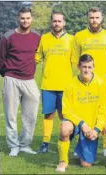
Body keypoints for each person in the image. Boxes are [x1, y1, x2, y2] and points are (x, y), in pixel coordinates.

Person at [71, 7, 106, 157]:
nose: (94, 20)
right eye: (91, 17)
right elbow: (75, 58)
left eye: (97, 17)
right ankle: (81, 145)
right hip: (85, 82)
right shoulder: (79, 36)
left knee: (105, 114)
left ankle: (105, 144)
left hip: (104, 82)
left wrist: (105, 76)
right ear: (87, 19)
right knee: (83, 112)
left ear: (101, 19)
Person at [55, 54, 106, 172]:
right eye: (84, 67)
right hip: (75, 122)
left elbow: (102, 109)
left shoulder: (101, 83)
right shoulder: (70, 84)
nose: (87, 70)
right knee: (65, 128)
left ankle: (80, 149)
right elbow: (66, 111)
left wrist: (97, 129)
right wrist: (82, 123)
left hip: (92, 125)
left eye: (89, 67)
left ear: (94, 67)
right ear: (78, 66)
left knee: (86, 165)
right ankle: (63, 161)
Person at [0, 7, 40, 156]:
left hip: (29, 79)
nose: (25, 21)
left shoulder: (37, 36)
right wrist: (7, 73)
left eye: (28, 18)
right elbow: (1, 58)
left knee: (31, 114)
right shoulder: (8, 36)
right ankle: (13, 146)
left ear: (31, 19)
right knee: (10, 114)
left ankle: (25, 144)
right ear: (18, 18)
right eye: (23, 18)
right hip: (11, 78)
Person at [36, 11, 76, 154]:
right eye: (54, 21)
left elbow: (77, 62)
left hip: (66, 86)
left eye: (59, 21)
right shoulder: (44, 38)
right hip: (48, 84)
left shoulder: (72, 40)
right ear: (51, 22)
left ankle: (68, 142)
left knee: (65, 116)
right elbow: (37, 57)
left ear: (64, 23)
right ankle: (45, 143)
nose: (57, 24)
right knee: (48, 115)